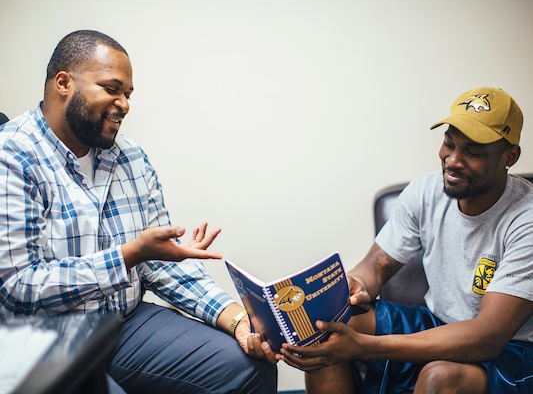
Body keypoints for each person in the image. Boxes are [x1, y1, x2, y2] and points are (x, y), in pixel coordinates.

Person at [0, 30, 277, 394]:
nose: (124, 104)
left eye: (127, 94)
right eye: (111, 88)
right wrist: (128, 256)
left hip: (126, 323)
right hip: (45, 338)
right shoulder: (13, 156)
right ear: (63, 83)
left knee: (249, 367)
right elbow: (18, 285)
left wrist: (236, 318)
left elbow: (159, 262)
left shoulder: (130, 156)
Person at [277, 87, 533, 394]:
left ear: (510, 156)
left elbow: (487, 337)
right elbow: (375, 266)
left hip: (512, 349)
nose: (453, 160)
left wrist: (365, 347)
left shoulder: (525, 220)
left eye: (473, 152)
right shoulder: (425, 192)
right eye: (449, 144)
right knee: (329, 329)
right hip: (439, 322)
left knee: (440, 378)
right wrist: (356, 284)